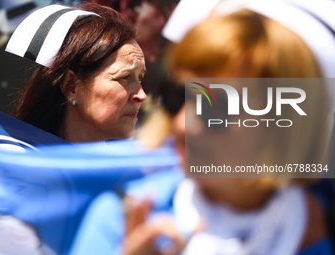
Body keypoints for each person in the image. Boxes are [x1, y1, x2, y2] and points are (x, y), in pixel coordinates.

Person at [68, 0, 335, 254]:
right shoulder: (124, 219)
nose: (183, 125)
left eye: (217, 105)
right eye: (178, 96)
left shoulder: (321, 233)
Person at [6, 2, 147, 143]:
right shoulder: (13, 159)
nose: (141, 96)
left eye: (140, 78)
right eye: (124, 77)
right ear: (71, 86)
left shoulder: (136, 163)